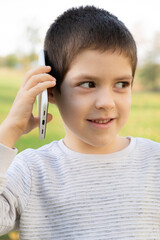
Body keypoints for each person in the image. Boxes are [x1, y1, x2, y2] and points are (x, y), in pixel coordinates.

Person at [0, 5, 160, 240]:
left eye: (122, 84)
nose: (107, 102)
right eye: (88, 84)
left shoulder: (155, 162)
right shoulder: (32, 172)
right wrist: (9, 131)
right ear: (51, 92)